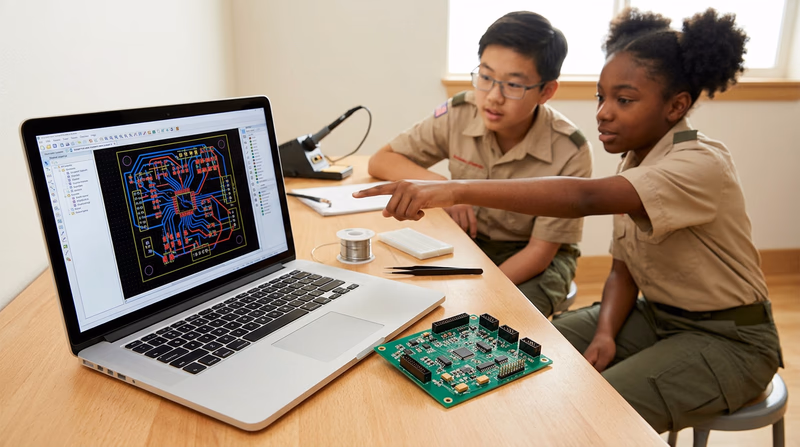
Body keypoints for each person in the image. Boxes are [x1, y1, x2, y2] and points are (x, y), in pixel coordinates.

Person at [355, 7, 782, 433]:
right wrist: (605, 333)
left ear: (676, 106)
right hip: (652, 315)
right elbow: (623, 268)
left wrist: (454, 189)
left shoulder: (698, 161)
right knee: (514, 360)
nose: (603, 112)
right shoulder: (637, 160)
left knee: (585, 413)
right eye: (601, 97)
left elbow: (583, 197)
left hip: (731, 339)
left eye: (624, 100)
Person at [368, 11, 592, 317]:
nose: (493, 98)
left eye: (513, 85)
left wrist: (479, 290)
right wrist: (445, 189)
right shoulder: (461, 111)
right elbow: (382, 160)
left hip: (533, 257)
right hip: (469, 242)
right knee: (401, 301)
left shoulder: (570, 149)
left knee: (504, 322)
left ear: (546, 91)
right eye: (485, 77)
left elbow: (539, 253)